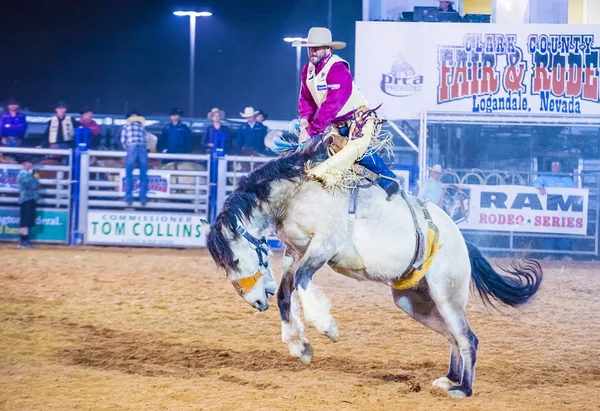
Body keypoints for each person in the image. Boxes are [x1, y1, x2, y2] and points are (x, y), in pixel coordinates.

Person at [293, 27, 400, 200]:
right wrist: (305, 122)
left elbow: (332, 104)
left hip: (358, 119)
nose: (312, 51)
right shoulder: (308, 70)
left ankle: (390, 182)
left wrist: (312, 131)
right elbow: (306, 99)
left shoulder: (337, 69)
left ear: (328, 48)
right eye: (310, 48)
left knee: (354, 150)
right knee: (339, 152)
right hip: (338, 124)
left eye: (317, 47)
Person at [533, 160, 575, 257]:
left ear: (561, 167)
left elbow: (574, 189)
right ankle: (549, 255)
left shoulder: (566, 179)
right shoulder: (545, 177)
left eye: (557, 165)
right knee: (549, 232)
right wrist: (540, 187)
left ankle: (565, 255)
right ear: (550, 167)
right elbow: (536, 183)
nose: (555, 167)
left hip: (563, 211)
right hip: (550, 211)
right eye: (553, 165)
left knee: (564, 232)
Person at [120, 112, 148, 206]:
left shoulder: (126, 126)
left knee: (129, 175)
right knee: (143, 174)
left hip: (131, 148)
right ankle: (143, 198)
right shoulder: (142, 127)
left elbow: (123, 140)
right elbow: (145, 140)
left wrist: (127, 149)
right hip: (142, 149)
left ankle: (129, 199)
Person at [17, 157, 39, 249]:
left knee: (25, 220)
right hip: (27, 199)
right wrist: (35, 178)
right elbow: (34, 185)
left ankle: (23, 240)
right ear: (25, 163)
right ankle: (24, 241)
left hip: (26, 199)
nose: (31, 164)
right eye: (30, 162)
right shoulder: (24, 174)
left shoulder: (24, 174)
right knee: (26, 220)